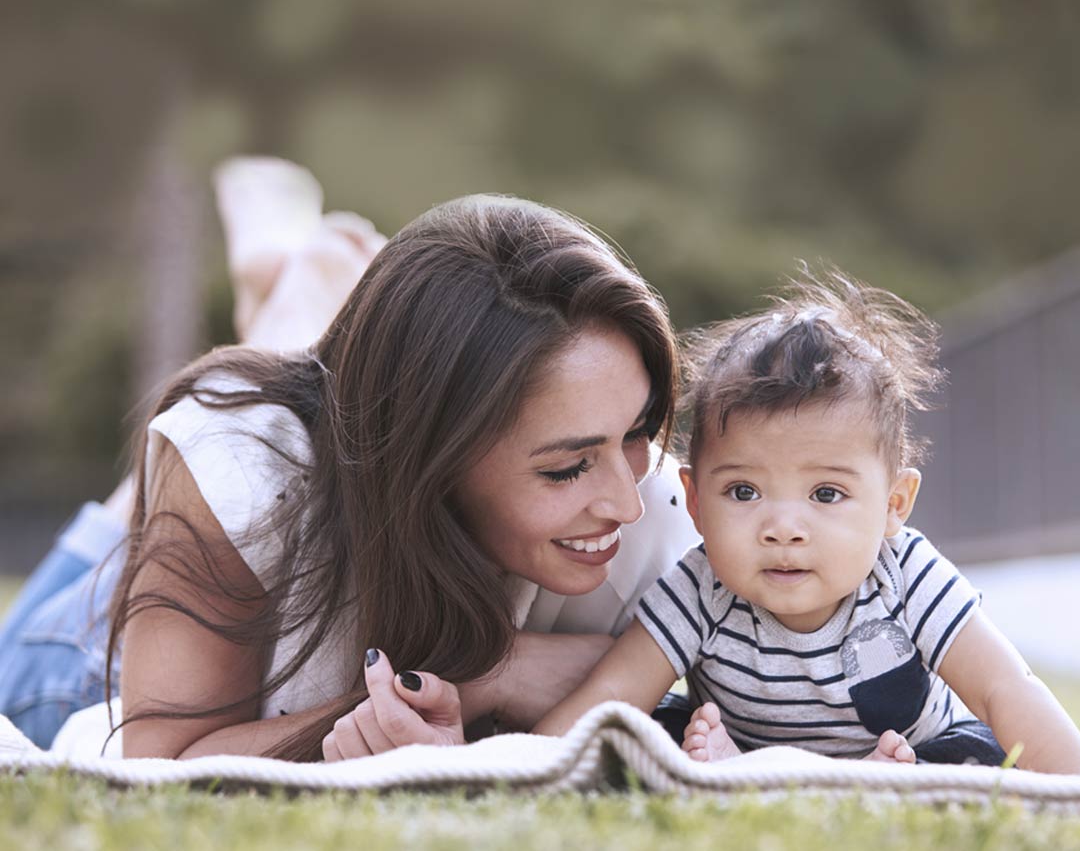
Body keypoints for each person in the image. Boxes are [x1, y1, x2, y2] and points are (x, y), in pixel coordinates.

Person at [0, 158, 700, 760]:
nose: (625, 501)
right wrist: (481, 675)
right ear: (434, 452)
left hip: (331, 450)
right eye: (565, 468)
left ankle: (302, 317)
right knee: (28, 665)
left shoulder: (667, 511)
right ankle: (291, 318)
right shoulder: (246, 468)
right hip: (94, 676)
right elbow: (163, 762)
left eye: (638, 430)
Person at [534, 270, 1080, 775]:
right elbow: (613, 691)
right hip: (742, 742)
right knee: (644, 726)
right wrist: (525, 763)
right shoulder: (701, 586)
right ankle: (753, 770)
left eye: (826, 493)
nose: (783, 528)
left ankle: (869, 780)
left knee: (981, 755)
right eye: (744, 491)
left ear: (893, 505)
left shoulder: (904, 575)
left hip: (911, 751)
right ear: (697, 501)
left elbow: (1006, 687)